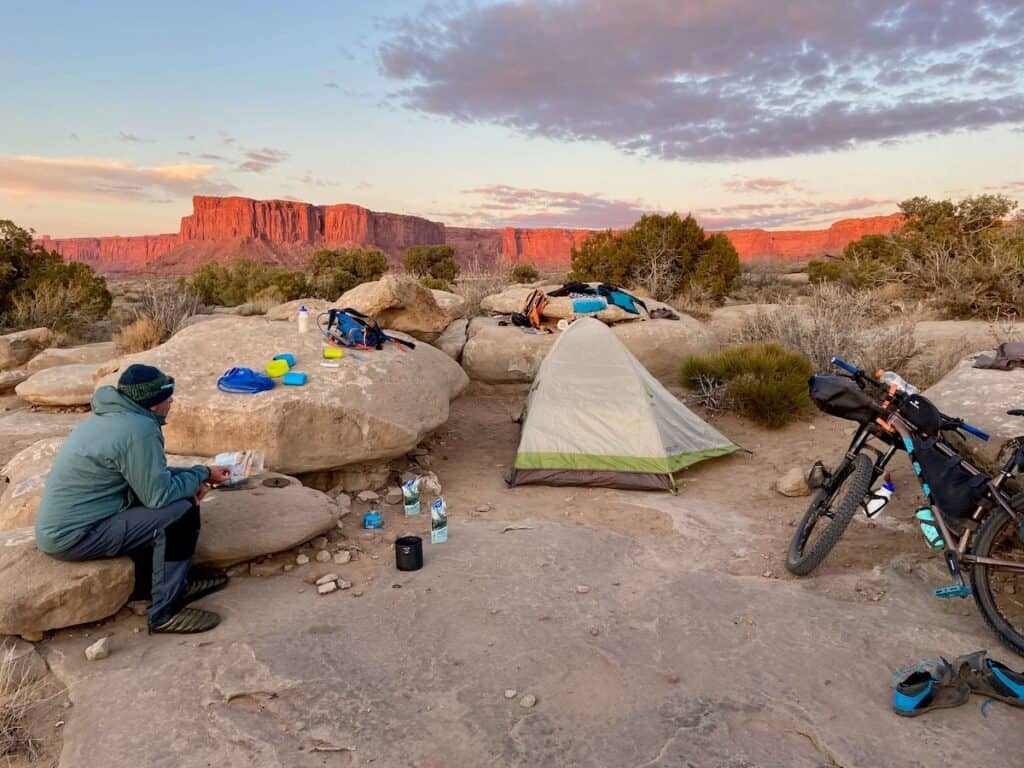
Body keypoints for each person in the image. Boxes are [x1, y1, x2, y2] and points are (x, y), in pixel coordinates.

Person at [35, 364, 233, 634]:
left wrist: (200, 475)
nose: (172, 401)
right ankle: (165, 612)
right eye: (168, 397)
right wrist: (197, 477)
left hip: (71, 525)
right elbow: (158, 496)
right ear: (153, 405)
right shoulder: (139, 429)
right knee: (180, 512)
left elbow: (147, 476)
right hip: (75, 536)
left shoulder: (113, 415)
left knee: (177, 502)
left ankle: (176, 584)